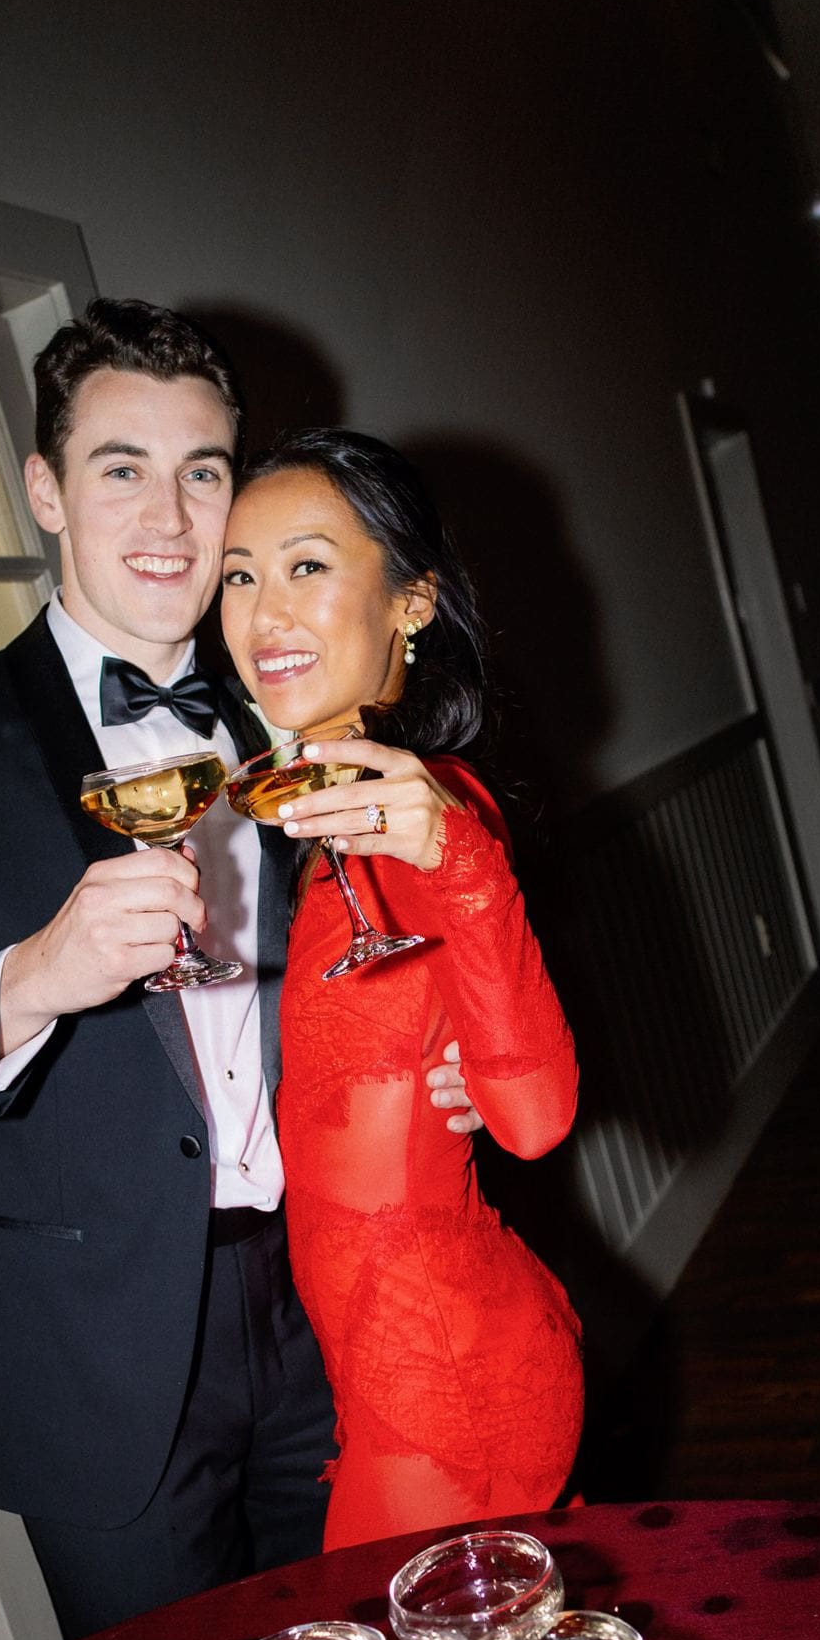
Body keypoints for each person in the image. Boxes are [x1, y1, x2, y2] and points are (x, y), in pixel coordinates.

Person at [0, 304, 479, 1640]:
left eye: (203, 471)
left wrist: (434, 1057)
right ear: (46, 488)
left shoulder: (298, 710)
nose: (168, 515)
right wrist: (35, 975)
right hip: (88, 1352)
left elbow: (379, 962)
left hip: (335, 1298)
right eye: (120, 468)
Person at [220, 428, 583, 1551]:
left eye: (309, 565)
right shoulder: (295, 804)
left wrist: (462, 861)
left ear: (412, 602)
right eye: (240, 574)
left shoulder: (429, 809)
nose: (264, 611)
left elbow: (535, 1119)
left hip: (447, 1387)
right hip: (374, 1382)